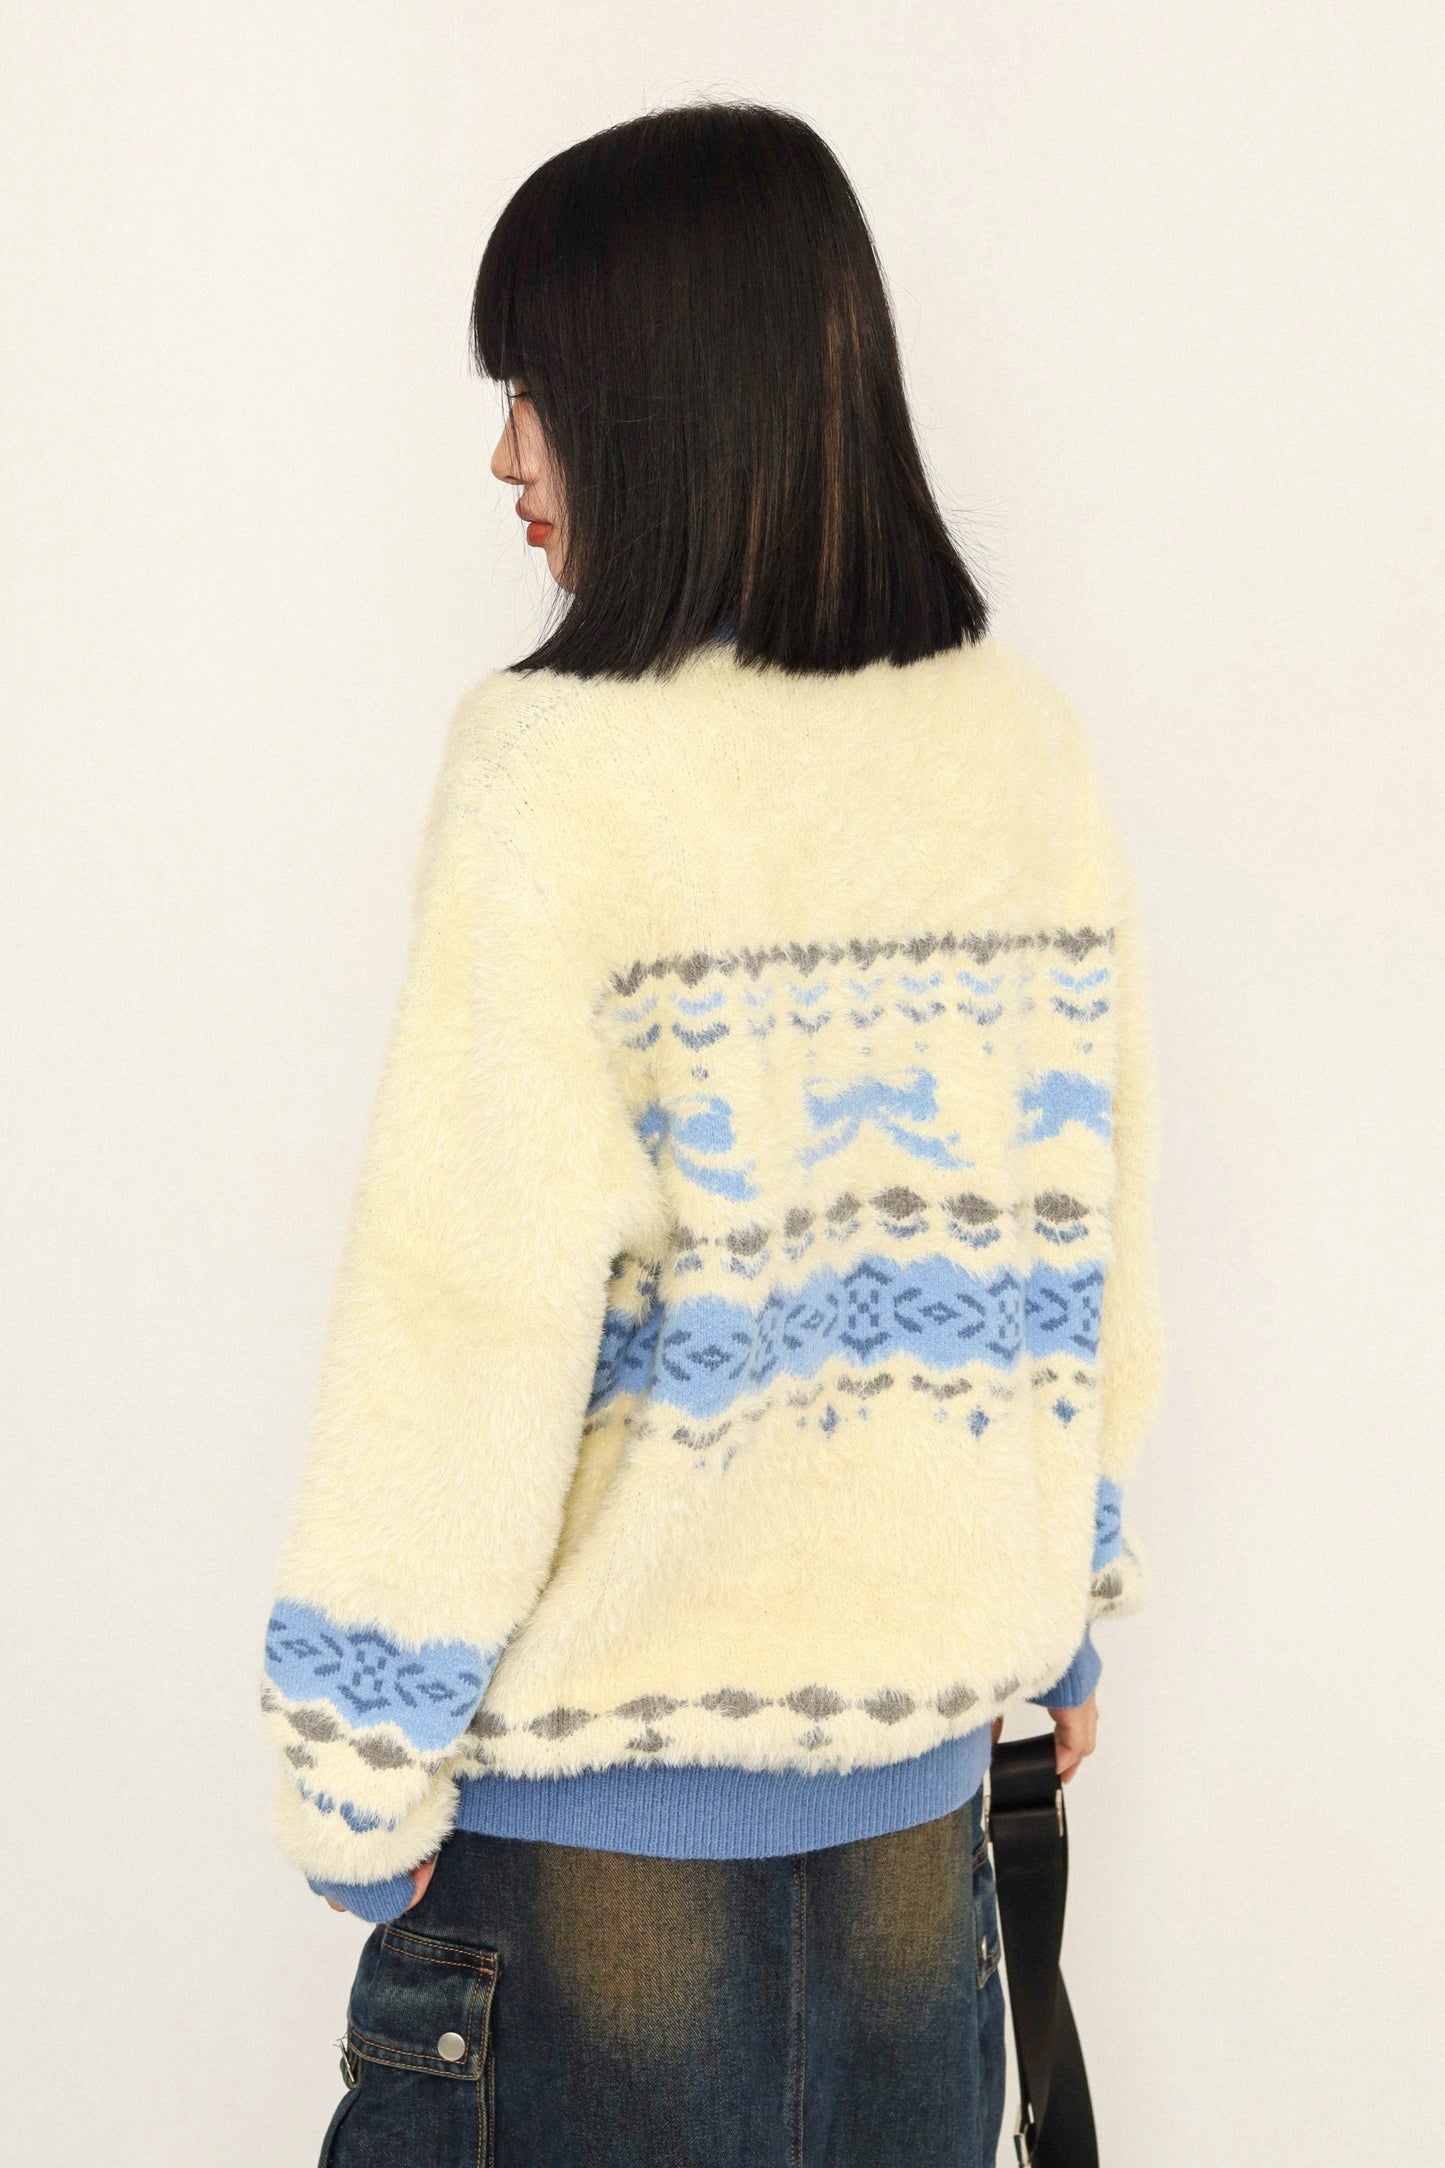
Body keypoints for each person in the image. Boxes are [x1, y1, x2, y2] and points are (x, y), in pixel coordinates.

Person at [260, 99, 1164, 2168]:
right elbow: (1080, 1225)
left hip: (592, 1877)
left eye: (535, 393)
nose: (508, 460)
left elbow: (464, 1317)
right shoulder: (1021, 752)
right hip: (917, 1863)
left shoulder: (551, 779)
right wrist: (1060, 1600)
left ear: (657, 401)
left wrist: (355, 1762)